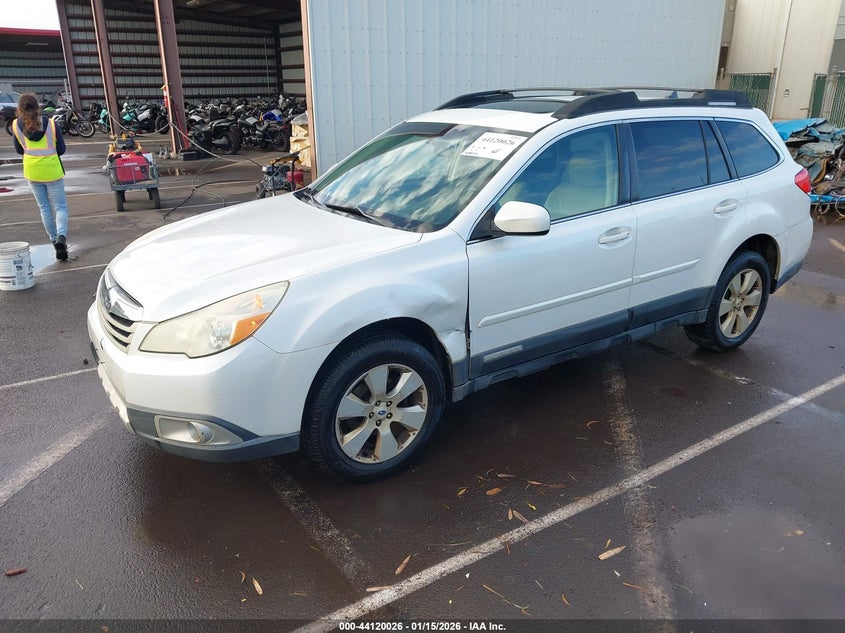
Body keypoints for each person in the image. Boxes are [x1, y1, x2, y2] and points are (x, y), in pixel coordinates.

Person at [12, 92, 70, 260]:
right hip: (52, 170)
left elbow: (18, 150)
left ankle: (54, 241)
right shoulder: (51, 124)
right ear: (37, 106)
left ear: (20, 108)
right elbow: (62, 149)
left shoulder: (16, 125)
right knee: (60, 207)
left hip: (32, 171)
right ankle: (61, 237)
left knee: (44, 208)